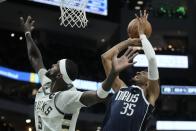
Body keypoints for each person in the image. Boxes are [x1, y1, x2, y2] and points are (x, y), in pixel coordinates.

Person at [20, 16, 139, 131]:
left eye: (56, 65)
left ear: (59, 75)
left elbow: (98, 95)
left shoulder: (66, 98)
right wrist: (27, 34)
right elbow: (35, 58)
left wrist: (113, 73)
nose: (52, 65)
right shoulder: (46, 84)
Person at [101, 10, 160, 131]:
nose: (138, 72)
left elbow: (152, 59)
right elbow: (105, 58)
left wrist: (142, 35)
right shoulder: (121, 88)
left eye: (144, 73)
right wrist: (128, 42)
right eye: (140, 71)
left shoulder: (150, 96)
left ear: (149, 83)